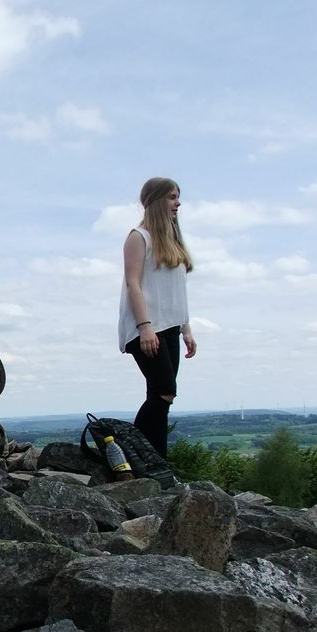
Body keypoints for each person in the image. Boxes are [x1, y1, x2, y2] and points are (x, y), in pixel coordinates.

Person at [118, 177, 196, 459]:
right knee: (164, 391)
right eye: (172, 197)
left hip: (170, 326)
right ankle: (130, 453)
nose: (178, 202)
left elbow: (177, 291)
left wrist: (186, 328)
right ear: (155, 200)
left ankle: (151, 462)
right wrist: (145, 327)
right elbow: (133, 284)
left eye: (178, 196)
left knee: (161, 397)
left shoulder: (173, 242)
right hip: (146, 327)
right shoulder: (139, 237)